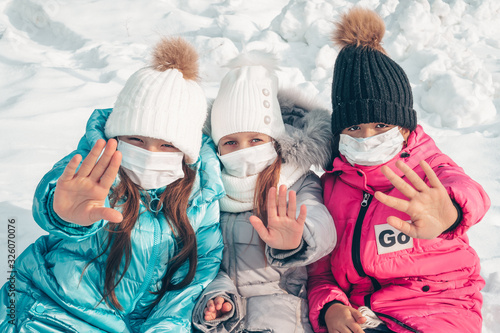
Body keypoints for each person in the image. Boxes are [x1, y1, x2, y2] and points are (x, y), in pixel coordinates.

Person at [0, 37, 225, 332]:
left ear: (187, 152)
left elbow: (199, 269)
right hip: (55, 308)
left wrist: (166, 327)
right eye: (136, 139)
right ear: (116, 135)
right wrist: (64, 215)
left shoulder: (199, 196)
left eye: (167, 145)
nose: (150, 153)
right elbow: (59, 194)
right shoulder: (96, 167)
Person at [307, 7, 491, 333]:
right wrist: (331, 307)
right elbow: (321, 272)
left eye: (381, 124)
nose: (367, 137)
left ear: (404, 127)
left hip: (440, 304)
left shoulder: (427, 165)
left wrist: (448, 212)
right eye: (354, 127)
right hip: (364, 314)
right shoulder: (333, 186)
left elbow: (468, 192)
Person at [191, 52, 337, 332]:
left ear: (275, 140)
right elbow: (202, 257)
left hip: (283, 313)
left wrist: (296, 241)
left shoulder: (295, 180)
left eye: (255, 139)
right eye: (231, 142)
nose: (244, 150)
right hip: (224, 317)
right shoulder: (209, 187)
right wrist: (218, 294)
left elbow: (322, 225)